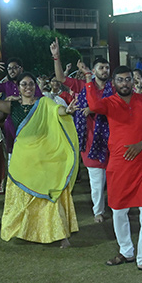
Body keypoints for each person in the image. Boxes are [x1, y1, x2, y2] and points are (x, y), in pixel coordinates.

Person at [0, 59, 79, 248]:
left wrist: (67, 110)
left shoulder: (43, 103)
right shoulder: (13, 106)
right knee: (23, 197)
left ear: (35, 86)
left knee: (49, 194)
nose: (28, 87)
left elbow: (58, 111)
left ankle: (61, 235)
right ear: (18, 87)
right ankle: (25, 231)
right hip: (22, 159)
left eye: (30, 84)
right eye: (24, 84)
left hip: (44, 157)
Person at [87, 65, 142, 275]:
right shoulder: (110, 102)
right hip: (119, 163)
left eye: (128, 79)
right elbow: (93, 105)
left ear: (133, 81)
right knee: (119, 210)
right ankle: (126, 251)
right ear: (114, 83)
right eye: (120, 80)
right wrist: (87, 78)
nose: (125, 83)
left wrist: (141, 144)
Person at [53, 40, 111, 223]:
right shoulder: (83, 85)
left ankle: (117, 207)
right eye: (101, 68)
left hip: (112, 141)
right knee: (96, 180)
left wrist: (93, 109)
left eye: (107, 68)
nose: (104, 71)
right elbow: (61, 78)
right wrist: (56, 56)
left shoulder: (114, 89)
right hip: (90, 139)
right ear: (93, 71)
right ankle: (98, 211)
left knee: (114, 179)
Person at [0, 56, 43, 154]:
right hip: (12, 122)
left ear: (21, 69)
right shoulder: (7, 85)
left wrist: (18, 99)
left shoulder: (30, 84)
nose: (11, 71)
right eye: (9, 68)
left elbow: (39, 99)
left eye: (14, 68)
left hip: (31, 120)